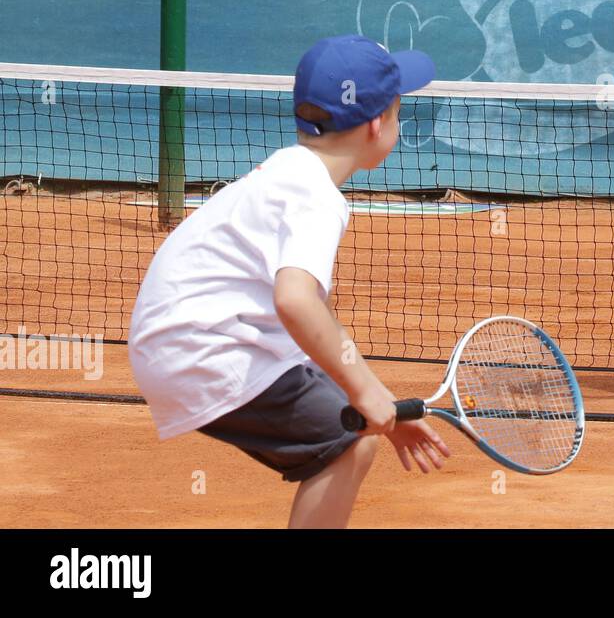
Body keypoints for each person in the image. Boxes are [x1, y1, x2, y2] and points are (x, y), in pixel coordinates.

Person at [129, 35, 450, 527]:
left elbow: (315, 330)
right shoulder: (317, 198)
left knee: (356, 431)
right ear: (375, 125)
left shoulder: (290, 170)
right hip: (203, 351)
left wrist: (379, 401)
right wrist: (365, 395)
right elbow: (297, 303)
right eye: (399, 112)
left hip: (186, 341)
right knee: (349, 444)